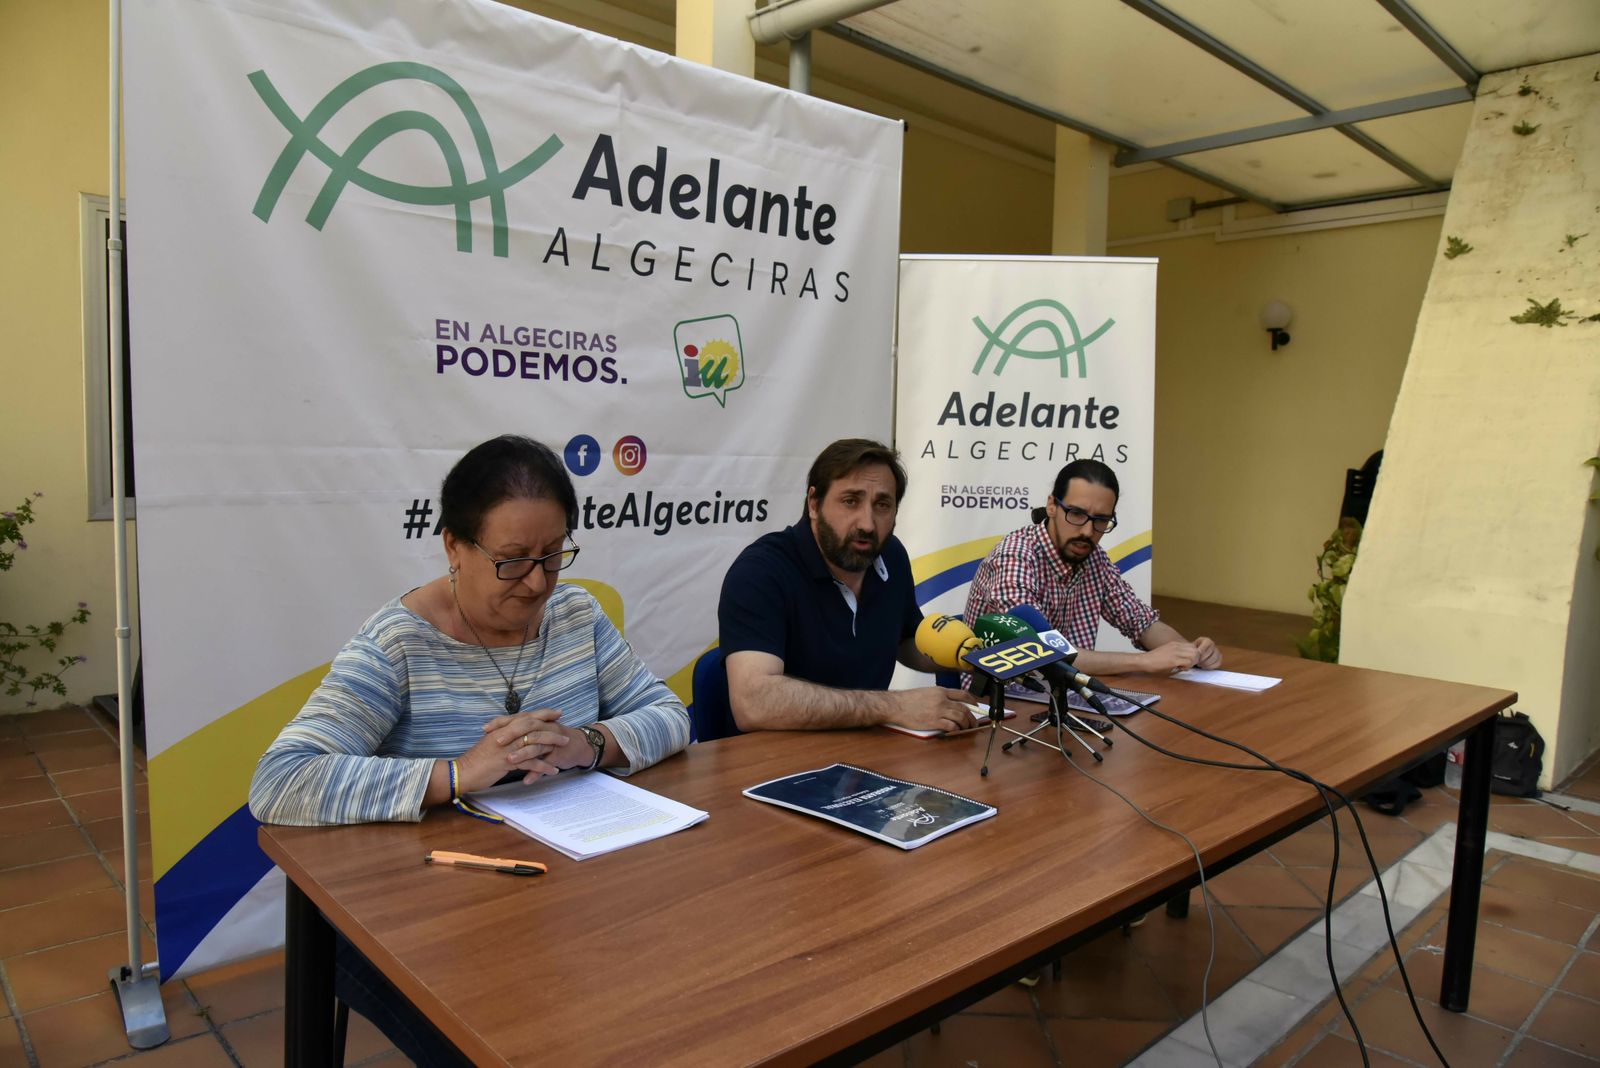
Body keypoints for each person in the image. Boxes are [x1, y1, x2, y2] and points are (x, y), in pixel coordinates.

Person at [250, 435, 690, 1066]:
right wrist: (459, 775)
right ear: (454, 545)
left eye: (553, 554)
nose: (538, 582)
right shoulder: (400, 643)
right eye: (512, 560)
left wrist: (588, 745)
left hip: (569, 894)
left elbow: (670, 715)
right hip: (431, 921)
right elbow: (281, 782)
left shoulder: (576, 615)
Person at [716, 438, 972, 733]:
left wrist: (970, 656)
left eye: (882, 505)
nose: (867, 523)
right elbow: (754, 704)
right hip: (773, 765)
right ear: (814, 503)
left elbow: (905, 641)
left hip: (865, 754)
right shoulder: (760, 572)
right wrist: (895, 706)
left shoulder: (891, 555)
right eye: (851, 501)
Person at [964, 459, 1222, 677]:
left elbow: (1141, 622)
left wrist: (1191, 651)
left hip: (1065, 700)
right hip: (1005, 705)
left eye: (1101, 520)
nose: (1087, 531)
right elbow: (1040, 649)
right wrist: (1142, 661)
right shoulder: (1016, 555)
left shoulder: (1094, 559)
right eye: (1076, 514)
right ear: (1052, 505)